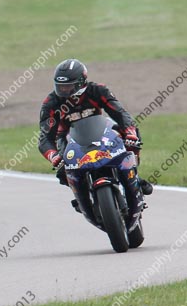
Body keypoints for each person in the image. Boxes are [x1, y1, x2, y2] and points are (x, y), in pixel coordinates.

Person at [38, 59, 152, 225]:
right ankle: (82, 195)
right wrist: (53, 156)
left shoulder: (97, 90)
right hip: (69, 137)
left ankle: (135, 175)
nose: (64, 90)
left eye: (69, 86)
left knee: (131, 137)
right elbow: (45, 138)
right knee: (63, 170)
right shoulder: (51, 103)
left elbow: (120, 113)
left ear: (82, 82)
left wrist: (129, 132)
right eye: (60, 86)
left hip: (102, 130)